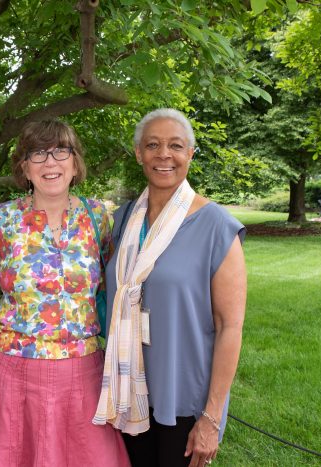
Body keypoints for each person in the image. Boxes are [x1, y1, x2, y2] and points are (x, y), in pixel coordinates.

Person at [0, 120, 130, 467]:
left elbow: (111, 283)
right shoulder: (2, 219)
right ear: (24, 166)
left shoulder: (98, 218)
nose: (50, 162)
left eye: (61, 150)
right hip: (11, 370)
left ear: (75, 162)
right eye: (37, 153)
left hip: (81, 371)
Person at [94, 109, 247, 467]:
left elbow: (230, 327)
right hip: (127, 391)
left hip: (183, 399)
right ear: (138, 154)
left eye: (176, 145)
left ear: (190, 154)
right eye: (153, 145)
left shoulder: (216, 227)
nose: (164, 154)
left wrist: (211, 418)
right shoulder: (120, 221)